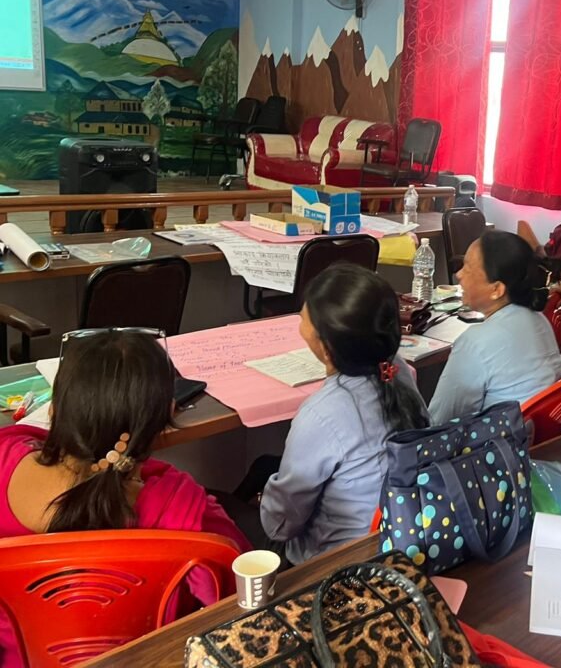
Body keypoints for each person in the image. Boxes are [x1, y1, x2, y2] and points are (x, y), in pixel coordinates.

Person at [0, 330, 249, 667]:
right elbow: (241, 595)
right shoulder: (185, 508)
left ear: (55, 410)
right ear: (169, 413)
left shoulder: (5, 456)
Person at [259, 264, 428, 565]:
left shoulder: (322, 413)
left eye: (303, 317)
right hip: (402, 540)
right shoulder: (397, 371)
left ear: (326, 349)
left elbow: (280, 525)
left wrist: (265, 499)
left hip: (340, 565)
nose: (300, 319)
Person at [428, 231, 561, 426]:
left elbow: (441, 421)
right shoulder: (540, 321)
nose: (458, 274)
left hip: (503, 441)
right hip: (544, 436)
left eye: (468, 268)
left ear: (496, 290)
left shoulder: (475, 342)